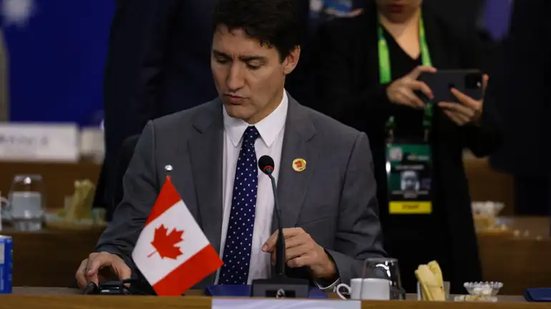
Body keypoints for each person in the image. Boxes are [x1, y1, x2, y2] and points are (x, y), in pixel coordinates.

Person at [76, 0, 385, 291]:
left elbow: (370, 267)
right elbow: (122, 244)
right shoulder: (163, 140)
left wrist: (328, 264)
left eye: (252, 64)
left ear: (290, 59)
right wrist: (109, 258)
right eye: (222, 60)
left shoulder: (342, 150)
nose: (233, 81)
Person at [317, 0, 501, 292]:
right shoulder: (341, 36)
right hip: (371, 208)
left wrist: (475, 118)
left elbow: (489, 140)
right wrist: (384, 97)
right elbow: (326, 123)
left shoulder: (456, 36)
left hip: (443, 214)